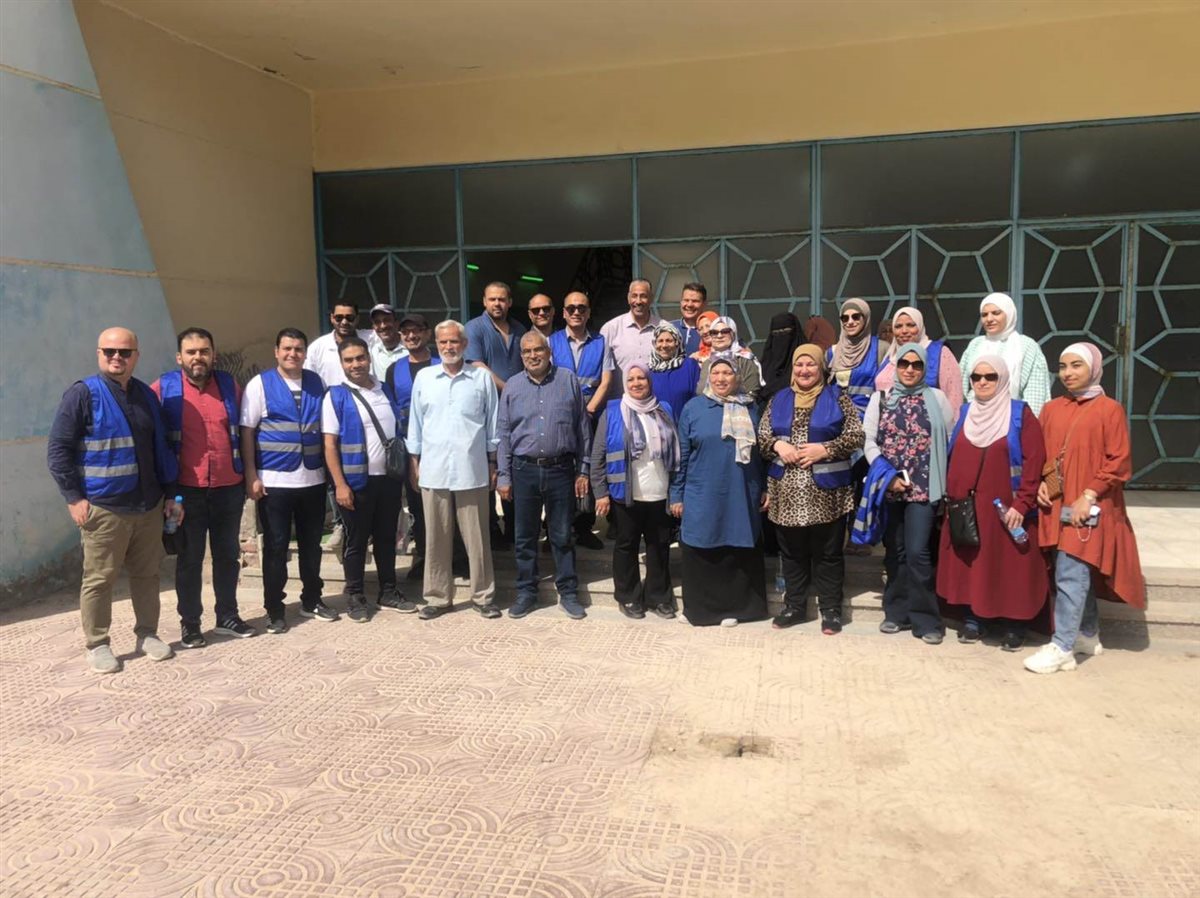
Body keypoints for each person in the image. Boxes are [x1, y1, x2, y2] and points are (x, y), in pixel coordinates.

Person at [47, 327, 180, 673]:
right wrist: (73, 498)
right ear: (99, 354)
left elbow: (161, 448)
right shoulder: (82, 395)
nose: (116, 357)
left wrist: (170, 494)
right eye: (109, 351)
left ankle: (147, 634)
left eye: (124, 352)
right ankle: (97, 644)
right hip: (104, 508)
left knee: (147, 575)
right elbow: (58, 450)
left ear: (136, 356)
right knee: (99, 580)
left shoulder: (145, 395)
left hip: (148, 506)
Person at [1024, 343, 1146, 674]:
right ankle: (1087, 634)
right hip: (1057, 504)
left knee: (1071, 570)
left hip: (1090, 504)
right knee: (1071, 570)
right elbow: (1041, 453)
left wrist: (1089, 495)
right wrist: (1041, 484)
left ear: (1093, 368)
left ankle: (1062, 646)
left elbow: (1119, 460)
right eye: (1063, 366)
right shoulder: (1052, 409)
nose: (1068, 373)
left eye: (1076, 365)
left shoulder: (1109, 409)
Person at [937, 356, 1048, 651]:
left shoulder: (1020, 414)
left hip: (1007, 509)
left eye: (990, 377)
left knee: (1010, 564)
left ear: (1003, 379)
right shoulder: (966, 412)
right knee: (974, 563)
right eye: (976, 377)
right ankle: (975, 617)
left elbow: (1034, 462)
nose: (982, 382)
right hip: (969, 507)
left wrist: (1023, 503)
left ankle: (1015, 623)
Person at [152, 327, 253, 648]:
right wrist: (164, 493)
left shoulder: (228, 385)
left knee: (228, 555)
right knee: (189, 559)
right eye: (191, 352)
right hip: (182, 492)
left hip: (228, 486)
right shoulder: (163, 389)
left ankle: (227, 617)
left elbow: (245, 430)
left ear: (214, 355)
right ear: (179, 357)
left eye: (204, 351)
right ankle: (191, 624)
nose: (198, 357)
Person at [758, 345, 864, 634]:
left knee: (828, 554)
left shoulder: (838, 398)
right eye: (799, 365)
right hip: (786, 492)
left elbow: (856, 435)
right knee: (792, 554)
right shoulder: (779, 398)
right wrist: (777, 444)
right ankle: (794, 607)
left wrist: (825, 449)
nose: (804, 370)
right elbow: (763, 437)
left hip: (827, 494)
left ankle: (831, 610)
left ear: (821, 368)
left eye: (811, 365)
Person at [241, 328, 337, 632]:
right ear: (276, 351)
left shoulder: (316, 382)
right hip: (274, 483)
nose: (292, 354)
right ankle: (274, 609)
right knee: (276, 547)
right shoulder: (260, 384)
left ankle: (312, 600)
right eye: (287, 348)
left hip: (313, 480)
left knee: (312, 546)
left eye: (298, 349)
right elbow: (247, 431)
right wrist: (251, 475)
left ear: (305, 353)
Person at [408, 320, 501, 619]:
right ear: (436, 344)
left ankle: (483, 596)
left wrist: (493, 462)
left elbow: (493, 424)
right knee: (436, 538)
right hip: (433, 469)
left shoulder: (481, 378)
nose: (449, 347)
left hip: (472, 469)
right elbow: (415, 424)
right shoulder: (424, 378)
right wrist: (414, 462)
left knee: (477, 539)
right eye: (443, 342)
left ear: (465, 344)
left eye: (454, 341)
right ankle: (437, 597)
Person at [863, 343, 954, 644]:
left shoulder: (937, 398)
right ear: (897, 367)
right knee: (896, 552)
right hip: (890, 487)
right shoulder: (881, 398)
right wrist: (887, 477)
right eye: (904, 364)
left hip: (924, 488)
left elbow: (948, 439)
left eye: (917, 364)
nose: (910, 369)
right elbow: (869, 441)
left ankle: (926, 620)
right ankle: (896, 613)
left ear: (924, 368)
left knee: (918, 552)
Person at [497, 331, 592, 620]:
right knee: (525, 537)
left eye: (538, 350)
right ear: (521, 356)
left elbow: (582, 429)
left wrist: (583, 469)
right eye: (526, 352)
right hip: (523, 470)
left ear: (549, 352)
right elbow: (503, 433)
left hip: (561, 469)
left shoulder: (568, 380)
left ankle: (568, 592)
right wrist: (504, 476)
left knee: (562, 535)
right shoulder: (512, 386)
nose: (532, 356)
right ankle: (527, 592)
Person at [670, 358, 768, 626]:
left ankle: (736, 608)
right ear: (708, 377)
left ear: (737, 377)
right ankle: (699, 610)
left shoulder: (751, 408)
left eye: (727, 373)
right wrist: (676, 494)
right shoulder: (694, 408)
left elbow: (762, 453)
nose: (721, 378)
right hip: (702, 490)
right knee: (702, 542)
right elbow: (682, 455)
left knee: (736, 543)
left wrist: (764, 486)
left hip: (741, 488)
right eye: (715, 373)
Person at [323, 337, 413, 623]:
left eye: (360, 358)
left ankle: (388, 591)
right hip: (355, 482)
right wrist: (340, 484)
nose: (356, 364)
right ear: (341, 363)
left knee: (386, 537)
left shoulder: (384, 390)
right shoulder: (336, 396)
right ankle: (355, 596)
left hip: (388, 480)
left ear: (369, 358)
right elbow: (329, 445)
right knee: (356, 541)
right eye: (349, 360)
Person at [592, 365, 680, 620]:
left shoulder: (664, 409)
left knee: (659, 546)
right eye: (630, 379)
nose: (636, 383)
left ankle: (658, 597)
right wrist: (600, 492)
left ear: (649, 382)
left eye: (641, 378)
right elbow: (598, 455)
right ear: (624, 383)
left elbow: (677, 450)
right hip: (625, 494)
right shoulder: (612, 411)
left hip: (659, 492)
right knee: (626, 546)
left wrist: (677, 493)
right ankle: (628, 596)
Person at [464, 281, 526, 547]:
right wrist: (511, 389)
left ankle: (513, 527)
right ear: (484, 301)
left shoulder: (520, 329)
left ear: (509, 302)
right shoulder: (474, 328)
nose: (497, 304)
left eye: (502, 299)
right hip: (486, 411)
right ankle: (490, 528)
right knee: (488, 469)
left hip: (516, 412)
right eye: (492, 299)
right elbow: (477, 365)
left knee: (511, 467)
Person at [548, 290, 611, 549]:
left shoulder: (601, 342)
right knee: (560, 470)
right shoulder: (551, 341)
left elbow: (606, 381)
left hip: (590, 412)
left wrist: (589, 409)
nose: (576, 312)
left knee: (589, 467)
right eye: (571, 308)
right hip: (559, 415)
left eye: (582, 308)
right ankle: (557, 530)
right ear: (563, 313)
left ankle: (584, 527)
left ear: (588, 312)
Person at [384, 313, 442, 579]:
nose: (411, 336)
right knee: (418, 505)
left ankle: (455, 557)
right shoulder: (394, 370)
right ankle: (425, 558)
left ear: (427, 333)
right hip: (410, 448)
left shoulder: (442, 363)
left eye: (417, 330)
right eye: (405, 332)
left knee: (447, 502)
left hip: (442, 444)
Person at [960, 292, 1052, 415]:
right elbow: (960, 385)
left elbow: (1036, 394)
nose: (989, 319)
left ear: (1009, 314)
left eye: (996, 313)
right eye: (984, 315)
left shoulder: (1026, 345)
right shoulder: (975, 345)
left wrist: (1025, 421)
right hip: (974, 415)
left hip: (1011, 417)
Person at [874, 306, 964, 418]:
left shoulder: (938, 353)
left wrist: (953, 426)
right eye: (898, 326)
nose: (904, 331)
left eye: (910, 325)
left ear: (920, 327)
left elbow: (954, 397)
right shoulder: (891, 356)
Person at [827, 298, 890, 416]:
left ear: (865, 318)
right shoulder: (833, 352)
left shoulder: (881, 348)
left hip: (869, 417)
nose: (850, 322)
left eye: (855, 317)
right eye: (845, 318)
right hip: (837, 418)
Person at [600, 278, 661, 395]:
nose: (638, 301)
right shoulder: (610, 329)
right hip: (619, 399)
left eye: (643, 296)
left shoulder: (663, 328)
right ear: (628, 298)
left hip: (654, 399)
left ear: (651, 298)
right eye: (634, 296)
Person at [304, 301, 377, 387]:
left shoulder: (371, 338)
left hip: (369, 394)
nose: (344, 322)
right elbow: (308, 379)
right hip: (331, 395)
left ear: (357, 319)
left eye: (350, 318)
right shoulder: (316, 348)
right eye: (339, 318)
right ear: (332, 318)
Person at [696, 316, 763, 401]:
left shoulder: (745, 360)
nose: (719, 336)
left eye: (725, 331)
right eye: (714, 332)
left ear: (733, 334)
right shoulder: (707, 362)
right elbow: (700, 391)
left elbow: (752, 391)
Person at [647, 321, 700, 424]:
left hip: (686, 425)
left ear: (677, 342)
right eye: (660, 341)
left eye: (669, 340)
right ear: (654, 343)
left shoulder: (689, 365)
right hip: (657, 427)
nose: (664, 345)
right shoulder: (649, 370)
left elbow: (697, 398)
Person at [758, 312, 803, 405]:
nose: (781, 336)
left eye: (786, 331)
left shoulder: (804, 363)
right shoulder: (765, 366)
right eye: (776, 333)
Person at [368, 303, 408, 383]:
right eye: (377, 322)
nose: (383, 326)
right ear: (373, 327)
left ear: (396, 323)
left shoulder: (410, 348)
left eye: (387, 320)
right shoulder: (372, 348)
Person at [670, 282, 709, 356]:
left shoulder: (712, 331)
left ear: (704, 304)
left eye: (695, 301)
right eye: (686, 300)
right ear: (681, 302)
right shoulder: (669, 328)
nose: (689, 305)